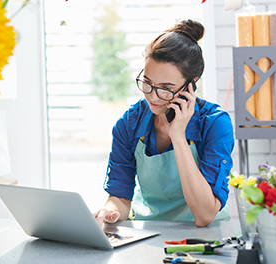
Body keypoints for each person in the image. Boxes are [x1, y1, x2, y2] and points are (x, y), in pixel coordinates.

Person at [92, 19, 234, 227]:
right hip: (149, 232)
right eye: (147, 83)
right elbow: (120, 197)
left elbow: (205, 215)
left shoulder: (215, 124)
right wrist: (110, 210)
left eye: (166, 88)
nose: (153, 97)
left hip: (205, 236)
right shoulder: (129, 124)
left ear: (191, 85)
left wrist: (178, 136)